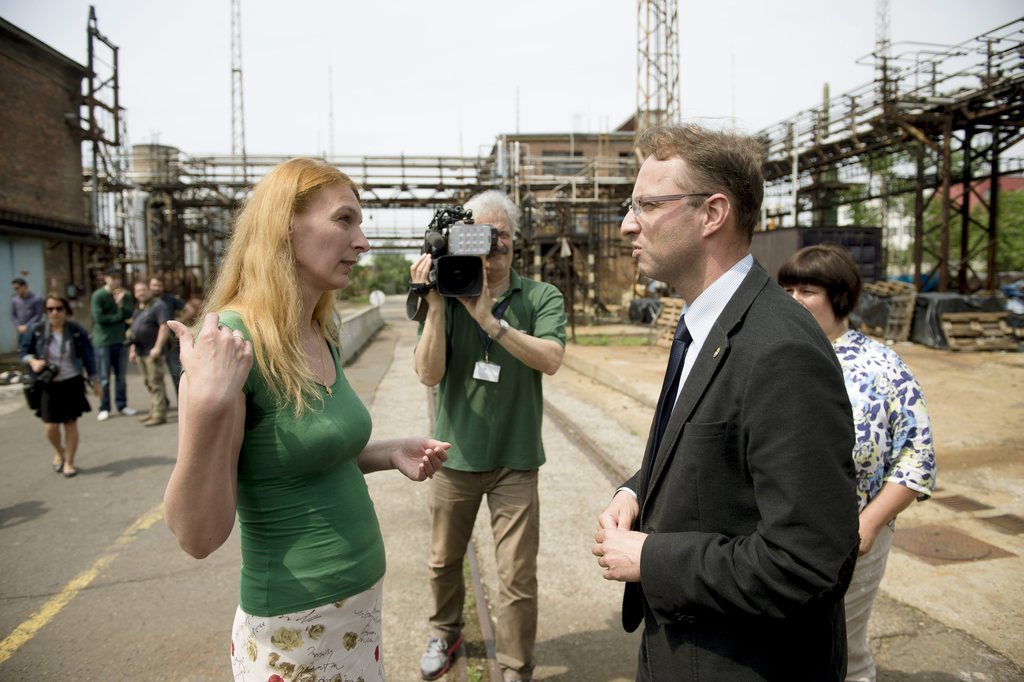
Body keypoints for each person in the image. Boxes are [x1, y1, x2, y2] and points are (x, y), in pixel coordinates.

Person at [163, 157, 450, 682]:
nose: (363, 243)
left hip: (357, 609)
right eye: (345, 220)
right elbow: (196, 536)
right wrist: (205, 406)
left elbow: (296, 454)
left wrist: (389, 452)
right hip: (293, 630)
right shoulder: (233, 343)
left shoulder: (320, 329)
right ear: (284, 227)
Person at [590, 124, 860, 681]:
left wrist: (651, 559)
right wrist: (636, 490)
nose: (627, 223)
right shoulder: (705, 324)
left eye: (648, 204)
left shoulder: (780, 349)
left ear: (712, 214)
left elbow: (808, 563)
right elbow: (707, 442)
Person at [410, 190, 567, 682]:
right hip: (453, 458)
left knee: (517, 577)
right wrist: (437, 308)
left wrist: (491, 322)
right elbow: (428, 375)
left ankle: (517, 665)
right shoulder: (449, 295)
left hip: (516, 461)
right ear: (463, 239)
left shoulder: (541, 296)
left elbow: (551, 358)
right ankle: (444, 630)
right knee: (442, 561)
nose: (494, 244)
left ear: (515, 240)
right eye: (480, 235)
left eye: (501, 234)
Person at [778, 244, 936, 682]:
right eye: (785, 289)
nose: (792, 301)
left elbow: (916, 456)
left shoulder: (882, 366)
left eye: (806, 290)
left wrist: (868, 525)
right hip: (773, 538)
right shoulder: (772, 356)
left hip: (852, 540)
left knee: (842, 647)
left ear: (839, 297)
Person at [20, 294, 101, 477]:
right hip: (48, 384)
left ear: (66, 310)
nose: (54, 312)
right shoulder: (37, 330)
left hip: (72, 382)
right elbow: (24, 352)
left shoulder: (75, 330)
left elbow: (88, 356)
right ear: (45, 311)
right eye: (50, 309)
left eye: (59, 308)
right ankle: (59, 452)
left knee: (71, 424)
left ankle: (70, 462)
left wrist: (95, 381)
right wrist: (32, 361)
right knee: (50, 427)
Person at [90, 266, 138, 421]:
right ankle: (104, 407)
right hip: (103, 341)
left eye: (118, 278)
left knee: (121, 377)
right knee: (104, 377)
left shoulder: (126, 295)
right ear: (106, 278)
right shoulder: (98, 295)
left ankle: (122, 405)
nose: (116, 281)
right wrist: (119, 314)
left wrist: (120, 304)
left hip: (120, 340)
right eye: (113, 278)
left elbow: (129, 313)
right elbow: (100, 319)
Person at [128, 280, 170, 426]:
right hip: (140, 351)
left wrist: (157, 347)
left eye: (143, 289)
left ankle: (159, 415)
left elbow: (164, 327)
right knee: (149, 383)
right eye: (138, 290)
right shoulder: (139, 308)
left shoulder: (158, 306)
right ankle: (153, 411)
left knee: (155, 382)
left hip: (152, 352)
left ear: (150, 290)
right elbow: (134, 330)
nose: (141, 293)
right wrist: (132, 350)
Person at [149, 275, 184, 396]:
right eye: (154, 285)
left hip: (169, 341)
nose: (156, 288)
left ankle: (181, 401)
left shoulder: (169, 299)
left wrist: (180, 320)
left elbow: (188, 308)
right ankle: (163, 402)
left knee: (175, 371)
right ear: (150, 286)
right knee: (153, 376)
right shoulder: (147, 301)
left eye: (159, 285)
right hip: (151, 342)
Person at [11, 277, 44, 342]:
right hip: (21, 330)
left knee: (34, 350)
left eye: (17, 288)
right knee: (23, 349)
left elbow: (38, 315)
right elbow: (12, 314)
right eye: (14, 289)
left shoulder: (37, 299)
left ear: (25, 286)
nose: (16, 291)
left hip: (34, 330)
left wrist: (26, 326)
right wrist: (18, 326)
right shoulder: (14, 300)